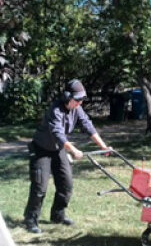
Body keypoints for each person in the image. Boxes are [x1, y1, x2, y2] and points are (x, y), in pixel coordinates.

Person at [23, 79, 110, 234]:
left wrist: (102, 146)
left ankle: (58, 215)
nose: (80, 103)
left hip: (58, 150)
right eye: (77, 100)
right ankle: (30, 219)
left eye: (82, 100)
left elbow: (87, 125)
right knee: (40, 187)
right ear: (67, 97)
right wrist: (73, 151)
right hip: (41, 150)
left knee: (66, 184)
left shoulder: (77, 108)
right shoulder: (55, 110)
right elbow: (58, 135)